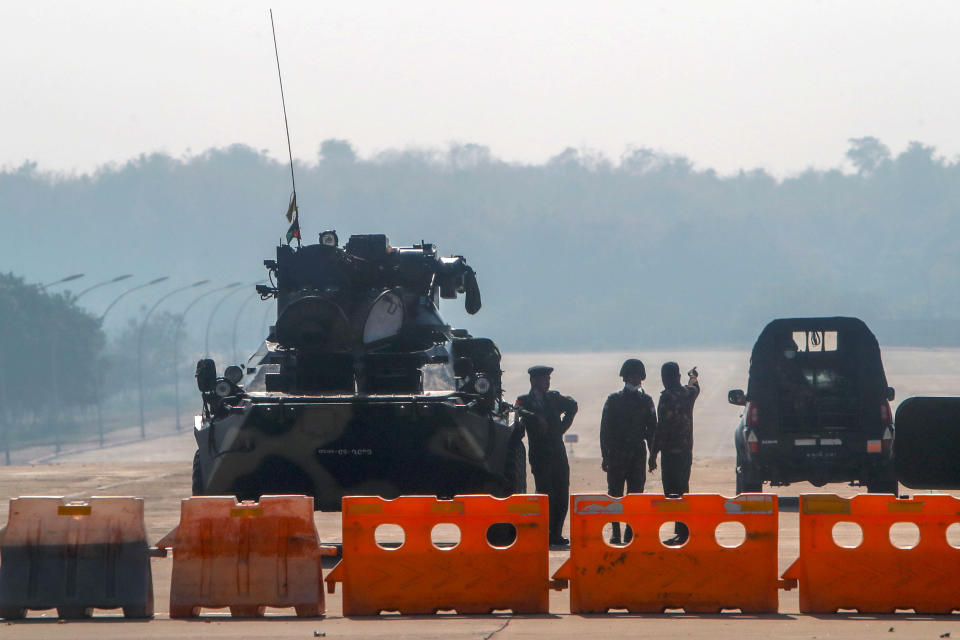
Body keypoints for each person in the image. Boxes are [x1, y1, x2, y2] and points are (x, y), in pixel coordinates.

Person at [515, 365, 578, 547]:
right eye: (545, 379)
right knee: (545, 493)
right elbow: (517, 411)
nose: (548, 382)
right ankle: (544, 531)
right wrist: (535, 418)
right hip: (540, 454)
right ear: (534, 381)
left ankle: (556, 533)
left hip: (558, 452)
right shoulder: (524, 400)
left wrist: (562, 428)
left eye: (549, 379)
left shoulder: (554, 398)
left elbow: (572, 405)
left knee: (561, 492)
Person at [600, 358, 657, 544]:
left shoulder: (646, 401)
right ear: (624, 378)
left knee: (635, 495)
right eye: (631, 376)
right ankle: (616, 532)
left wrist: (652, 456)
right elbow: (605, 430)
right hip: (617, 453)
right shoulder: (613, 400)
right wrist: (605, 455)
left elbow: (652, 431)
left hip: (637, 454)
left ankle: (630, 532)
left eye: (638, 376)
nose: (635, 379)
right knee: (615, 494)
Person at [650, 361, 700, 545]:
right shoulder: (688, 393)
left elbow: (661, 428)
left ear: (666, 378)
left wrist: (653, 454)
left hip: (670, 453)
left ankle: (682, 531)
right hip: (686, 451)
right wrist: (692, 376)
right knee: (683, 490)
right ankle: (683, 530)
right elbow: (695, 386)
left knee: (672, 493)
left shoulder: (666, 397)